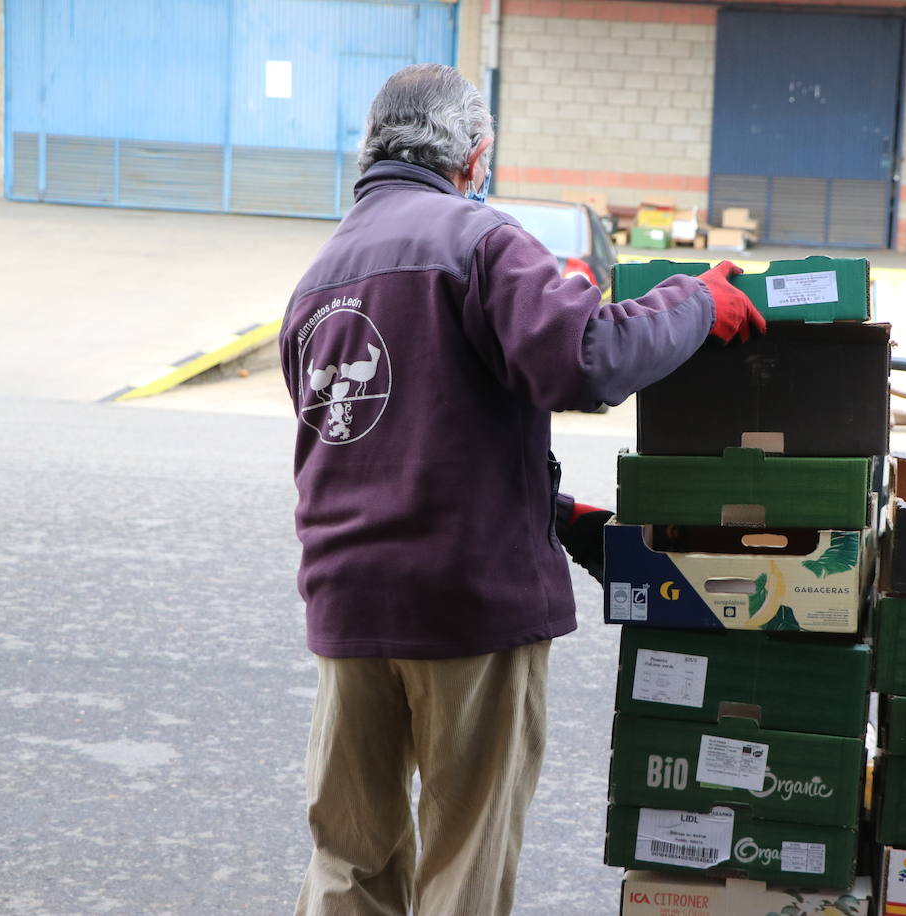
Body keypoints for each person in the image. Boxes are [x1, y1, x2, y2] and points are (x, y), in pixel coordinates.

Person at [278, 64, 764, 916]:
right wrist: (696, 304)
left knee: (350, 858)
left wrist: (551, 511)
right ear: (476, 156)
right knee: (466, 852)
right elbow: (586, 358)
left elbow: (390, 442)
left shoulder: (319, 276)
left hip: (348, 609)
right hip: (465, 605)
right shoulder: (475, 240)